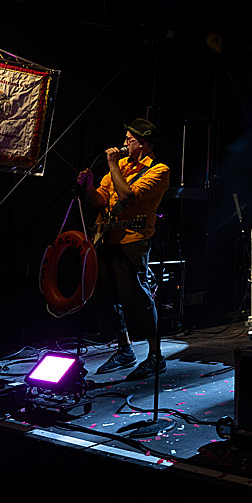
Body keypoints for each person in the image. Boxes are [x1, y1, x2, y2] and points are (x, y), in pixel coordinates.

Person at [77, 118, 171, 380]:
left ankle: (155, 355)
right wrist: (89, 186)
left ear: (143, 143)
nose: (124, 143)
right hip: (107, 239)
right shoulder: (120, 166)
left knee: (137, 298)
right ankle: (124, 349)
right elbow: (101, 199)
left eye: (129, 139)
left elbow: (127, 195)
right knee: (106, 297)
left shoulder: (159, 170)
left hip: (133, 239)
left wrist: (111, 165)